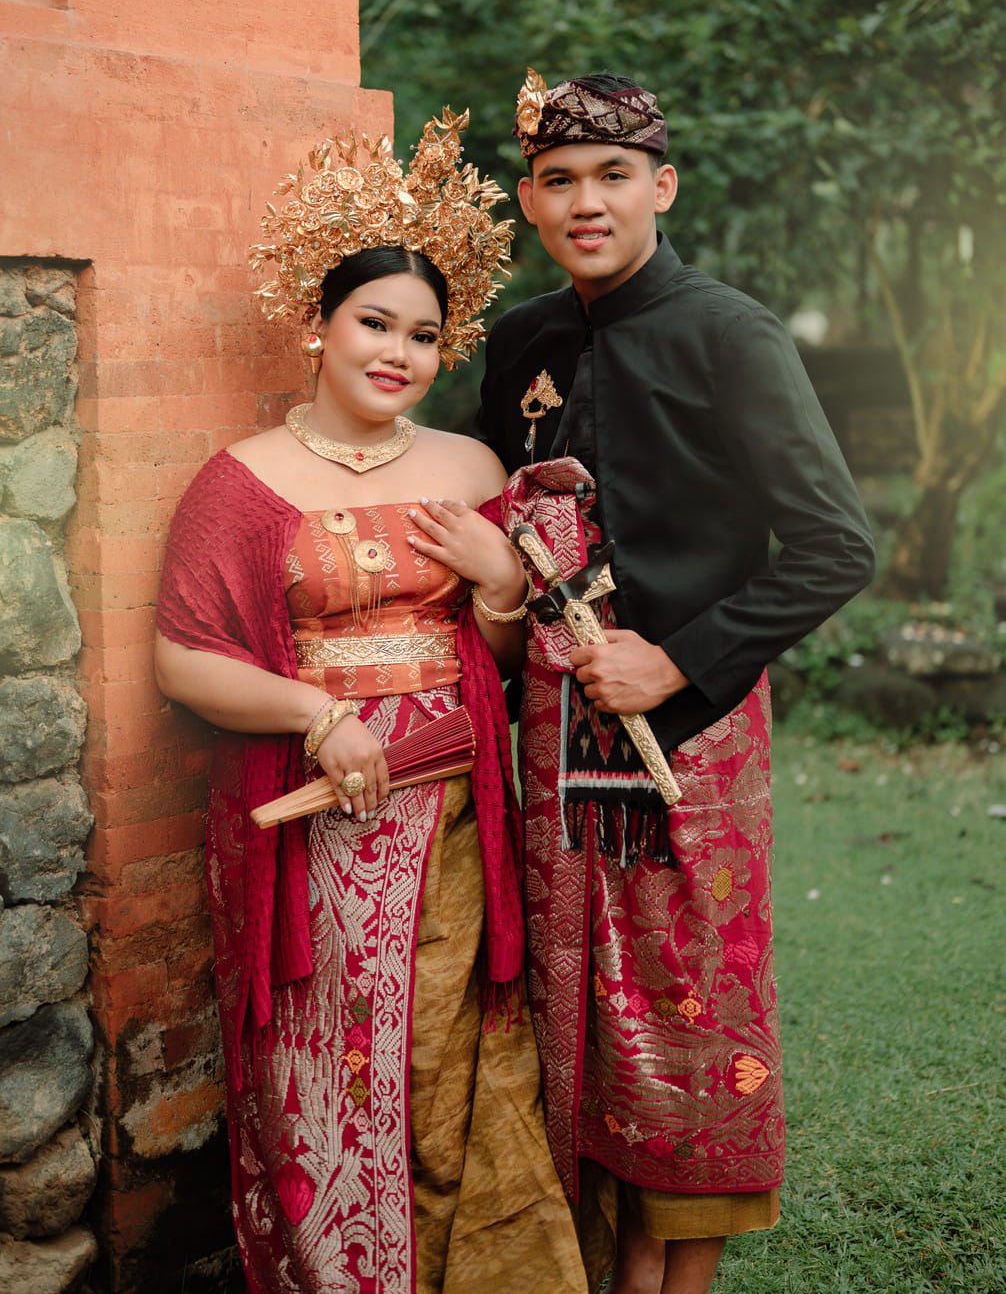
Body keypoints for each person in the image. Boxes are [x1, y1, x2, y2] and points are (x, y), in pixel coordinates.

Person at [154, 110, 587, 1294]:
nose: (400, 352)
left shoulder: (471, 468)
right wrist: (318, 718)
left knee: (446, 1054)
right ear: (319, 324)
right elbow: (184, 659)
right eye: (374, 323)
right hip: (314, 810)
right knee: (327, 1058)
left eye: (425, 335)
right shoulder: (242, 483)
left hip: (449, 807)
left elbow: (503, 658)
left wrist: (501, 584)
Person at [472, 70, 877, 1294]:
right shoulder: (522, 344)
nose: (585, 203)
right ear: (529, 203)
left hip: (690, 738)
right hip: (555, 733)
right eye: (558, 181)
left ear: (664, 186)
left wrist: (678, 657)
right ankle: (603, 1263)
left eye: (612, 176)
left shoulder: (729, 335)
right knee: (577, 1008)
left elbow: (835, 548)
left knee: (691, 1007)